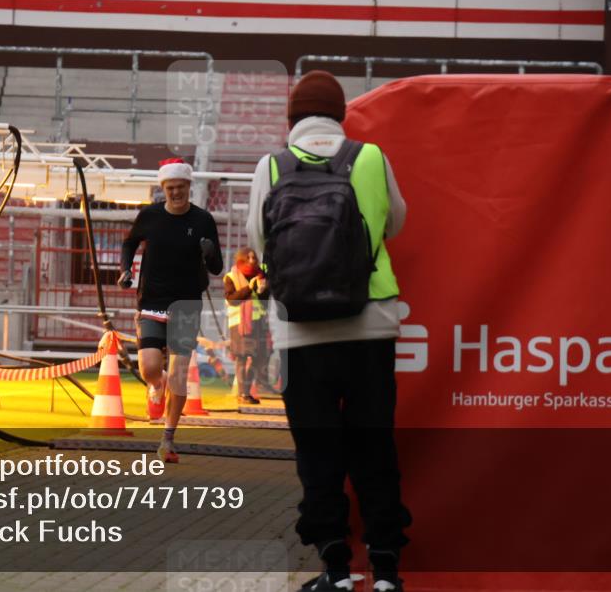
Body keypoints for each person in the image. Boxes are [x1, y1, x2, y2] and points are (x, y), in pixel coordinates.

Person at [246, 71, 412, 592]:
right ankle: (385, 568)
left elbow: (259, 237)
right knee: (374, 447)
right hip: (371, 325)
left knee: (317, 454)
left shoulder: (270, 166)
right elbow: (397, 222)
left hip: (301, 335)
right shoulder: (370, 157)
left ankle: (335, 569)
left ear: (291, 118)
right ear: (340, 114)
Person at [118, 158, 222, 463]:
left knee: (178, 373)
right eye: (170, 188)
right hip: (151, 301)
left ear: (189, 187)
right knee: (150, 368)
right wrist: (126, 270)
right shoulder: (149, 216)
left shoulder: (203, 220)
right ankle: (156, 383)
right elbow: (129, 243)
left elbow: (216, 268)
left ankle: (167, 439)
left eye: (180, 187)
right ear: (163, 188)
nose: (176, 192)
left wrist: (210, 252)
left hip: (187, 303)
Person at [222, 247, 276, 403]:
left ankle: (247, 391)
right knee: (242, 357)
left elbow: (264, 301)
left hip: (258, 322)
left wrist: (262, 290)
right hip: (240, 324)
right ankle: (243, 394)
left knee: (259, 356)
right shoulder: (231, 276)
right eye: (248, 258)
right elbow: (232, 299)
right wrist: (249, 288)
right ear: (241, 259)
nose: (252, 260)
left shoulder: (261, 276)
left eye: (254, 258)